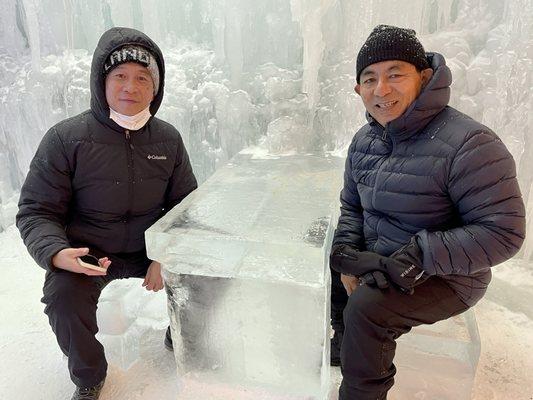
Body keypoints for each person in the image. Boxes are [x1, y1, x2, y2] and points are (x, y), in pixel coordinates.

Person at [329, 25, 526, 399]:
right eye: (370, 79)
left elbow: (504, 234)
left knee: (368, 310)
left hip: (450, 275)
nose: (381, 89)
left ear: (424, 76)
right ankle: (347, 350)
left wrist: (421, 255)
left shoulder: (470, 143)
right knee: (328, 267)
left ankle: (361, 391)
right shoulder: (364, 141)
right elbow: (351, 205)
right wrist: (345, 252)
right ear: (358, 90)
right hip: (384, 258)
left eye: (395, 75)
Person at [16, 27, 197, 400]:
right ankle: (89, 377)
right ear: (102, 82)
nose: (130, 86)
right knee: (63, 296)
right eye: (120, 76)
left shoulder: (168, 139)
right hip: (90, 253)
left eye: (142, 77)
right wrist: (55, 251)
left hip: (149, 248)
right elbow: (37, 209)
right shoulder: (66, 138)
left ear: (155, 87)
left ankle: (181, 331)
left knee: (208, 271)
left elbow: (186, 206)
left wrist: (165, 254)